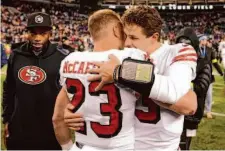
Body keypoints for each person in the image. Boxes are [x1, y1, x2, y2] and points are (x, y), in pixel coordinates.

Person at [63, 6, 197, 151]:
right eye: (125, 36)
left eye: (133, 37)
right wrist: (73, 110)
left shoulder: (177, 51)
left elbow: (187, 105)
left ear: (154, 37)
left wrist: (121, 73)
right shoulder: (120, 55)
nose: (126, 43)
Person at [52, 9, 146, 151]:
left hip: (82, 145)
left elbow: (57, 118)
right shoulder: (131, 57)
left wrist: (68, 148)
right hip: (122, 146)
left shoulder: (70, 60)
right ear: (116, 29)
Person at [2, 12, 70, 150]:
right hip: (20, 126)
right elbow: (9, 89)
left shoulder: (62, 56)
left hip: (50, 127)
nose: (37, 38)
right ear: (27, 33)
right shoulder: (16, 54)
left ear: (50, 33)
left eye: (42, 33)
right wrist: (7, 119)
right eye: (33, 33)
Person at [176, 28, 212, 150]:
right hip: (171, 111)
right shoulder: (172, 61)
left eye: (187, 44)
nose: (183, 48)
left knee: (183, 145)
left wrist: (181, 82)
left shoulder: (203, 63)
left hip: (190, 113)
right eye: (181, 44)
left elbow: (201, 88)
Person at [198, 35, 223, 119]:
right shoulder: (196, 50)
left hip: (208, 77)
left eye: (206, 39)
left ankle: (208, 111)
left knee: (209, 95)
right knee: (199, 95)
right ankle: (199, 111)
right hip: (198, 77)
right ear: (200, 40)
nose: (206, 41)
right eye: (204, 39)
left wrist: (220, 72)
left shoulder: (209, 50)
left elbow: (215, 62)